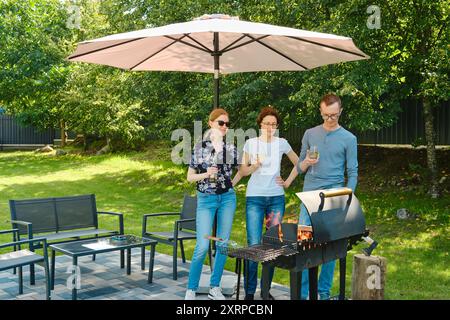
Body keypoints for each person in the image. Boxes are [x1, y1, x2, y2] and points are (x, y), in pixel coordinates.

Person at [296, 93, 358, 300]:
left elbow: (353, 172)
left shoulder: (349, 138)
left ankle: (323, 293)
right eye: (326, 115)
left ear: (340, 111)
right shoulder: (310, 134)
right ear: (320, 112)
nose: (330, 119)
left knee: (330, 247)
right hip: (309, 195)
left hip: (333, 195)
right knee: (305, 243)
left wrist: (347, 199)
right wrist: (306, 163)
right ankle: (304, 294)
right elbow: (299, 167)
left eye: (334, 115)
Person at [239, 106, 299, 300]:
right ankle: (249, 293)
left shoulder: (282, 143)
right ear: (260, 124)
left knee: (271, 246)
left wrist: (288, 181)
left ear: (277, 126)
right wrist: (254, 166)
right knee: (254, 245)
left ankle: (265, 292)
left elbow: (298, 162)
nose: (270, 127)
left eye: (273, 124)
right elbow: (243, 170)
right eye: (267, 123)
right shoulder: (250, 143)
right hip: (255, 198)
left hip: (276, 198)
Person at [185, 108, 241, 300]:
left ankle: (214, 287)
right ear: (211, 123)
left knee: (223, 245)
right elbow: (190, 177)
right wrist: (206, 174)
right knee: (202, 245)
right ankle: (191, 289)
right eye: (221, 123)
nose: (224, 127)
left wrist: (255, 165)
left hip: (227, 199)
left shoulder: (231, 148)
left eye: (227, 124)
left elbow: (241, 169)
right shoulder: (199, 148)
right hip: (206, 200)